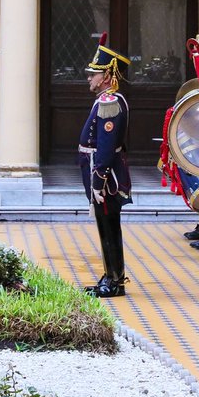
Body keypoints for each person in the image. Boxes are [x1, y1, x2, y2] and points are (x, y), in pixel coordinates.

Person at [81, 33, 133, 298]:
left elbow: (106, 146)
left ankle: (114, 280)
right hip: (102, 175)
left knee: (109, 225)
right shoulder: (105, 100)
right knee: (106, 226)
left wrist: (98, 179)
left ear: (108, 76)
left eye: (94, 73)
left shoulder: (110, 102)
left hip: (106, 177)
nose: (89, 77)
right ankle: (111, 274)